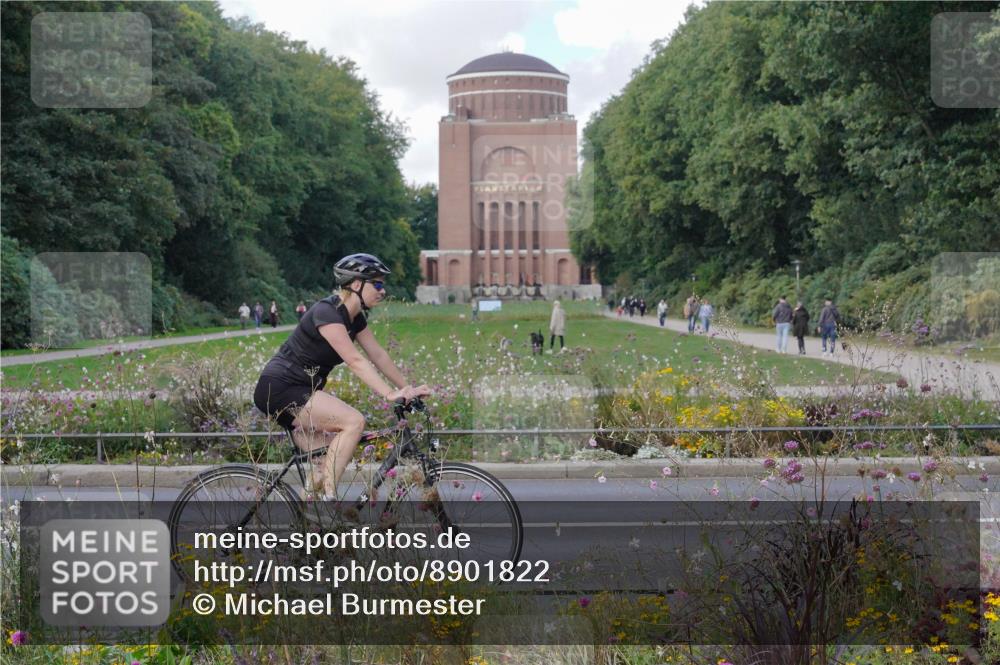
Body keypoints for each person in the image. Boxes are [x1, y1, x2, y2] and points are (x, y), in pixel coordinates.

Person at [253, 253, 431, 498]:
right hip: (281, 388)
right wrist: (389, 394)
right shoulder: (327, 312)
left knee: (323, 465)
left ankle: (308, 525)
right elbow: (355, 360)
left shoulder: (355, 317)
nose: (382, 290)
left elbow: (378, 355)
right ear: (356, 284)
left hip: (301, 391)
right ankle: (329, 502)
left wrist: (407, 388)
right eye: (377, 284)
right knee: (353, 421)